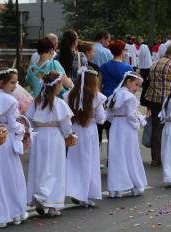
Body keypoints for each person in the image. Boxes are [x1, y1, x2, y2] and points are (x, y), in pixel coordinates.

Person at [0, 68, 28, 228]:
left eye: (16, 82)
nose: (15, 86)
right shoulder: (10, 100)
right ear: (2, 83)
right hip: (5, 139)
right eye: (12, 82)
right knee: (9, 176)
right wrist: (23, 130)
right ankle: (13, 211)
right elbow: (13, 123)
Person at [26, 71, 74, 217]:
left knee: (40, 166)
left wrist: (32, 135)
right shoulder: (59, 104)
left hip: (39, 137)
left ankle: (40, 195)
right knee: (54, 168)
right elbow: (66, 125)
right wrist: (70, 135)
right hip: (54, 137)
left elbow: (29, 121)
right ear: (57, 85)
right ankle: (51, 203)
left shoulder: (36, 102)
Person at [65, 68, 106, 207]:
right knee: (89, 162)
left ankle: (76, 191)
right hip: (89, 131)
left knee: (75, 162)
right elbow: (101, 119)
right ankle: (85, 195)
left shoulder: (69, 94)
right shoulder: (97, 97)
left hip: (74, 130)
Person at [106, 71, 147, 198]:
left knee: (117, 155)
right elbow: (131, 115)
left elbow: (109, 115)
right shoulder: (129, 97)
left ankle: (115, 188)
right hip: (127, 128)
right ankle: (135, 184)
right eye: (136, 85)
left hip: (116, 127)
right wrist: (138, 124)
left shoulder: (115, 94)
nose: (136, 88)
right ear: (128, 81)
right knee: (130, 155)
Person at [145, 41, 171, 167]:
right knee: (170, 129)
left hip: (154, 99)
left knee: (157, 129)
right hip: (168, 101)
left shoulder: (155, 63)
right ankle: (169, 156)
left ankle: (155, 158)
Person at [98, 40, 133, 144]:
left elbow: (99, 85)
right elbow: (130, 88)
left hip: (106, 98)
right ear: (122, 51)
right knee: (117, 131)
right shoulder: (128, 67)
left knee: (106, 125)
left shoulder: (103, 66)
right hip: (121, 100)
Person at [137, 37, 153, 102]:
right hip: (146, 66)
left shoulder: (143, 46)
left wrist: (137, 55)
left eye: (140, 40)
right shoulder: (145, 46)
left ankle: (144, 98)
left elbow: (141, 55)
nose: (139, 41)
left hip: (145, 67)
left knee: (145, 83)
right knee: (145, 83)